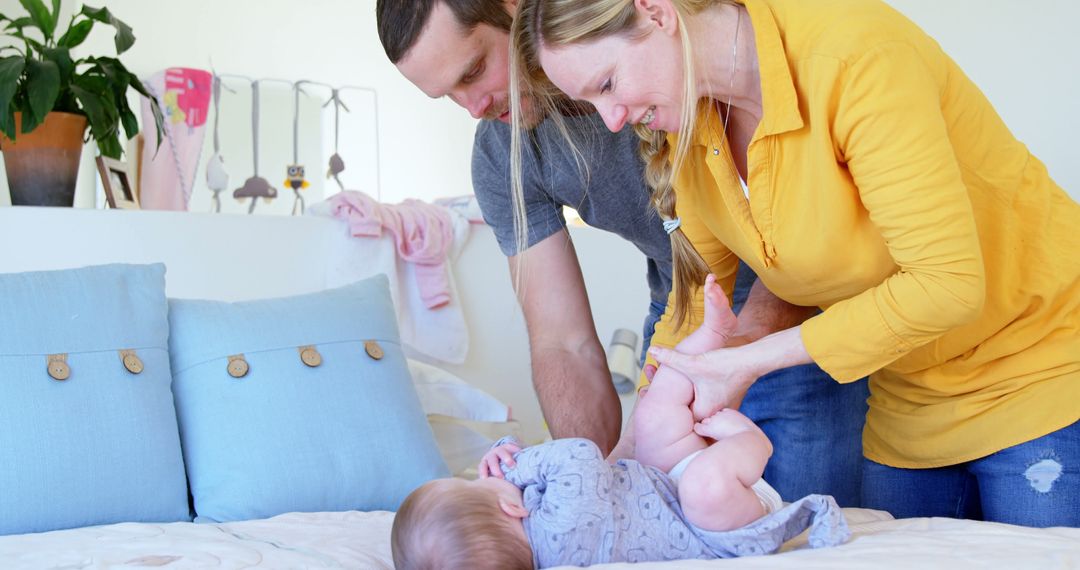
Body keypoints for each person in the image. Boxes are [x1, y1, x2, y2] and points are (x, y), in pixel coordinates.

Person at [510, 0, 1080, 527]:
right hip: (909, 402)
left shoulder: (852, 56)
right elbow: (685, 319)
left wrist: (749, 362)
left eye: (608, 84)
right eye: (592, 102)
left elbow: (948, 285)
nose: (610, 119)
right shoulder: (692, 123)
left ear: (655, 12)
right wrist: (609, 473)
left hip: (1036, 371)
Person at [375, 0, 870, 506]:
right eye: (449, 96)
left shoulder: (666, 49)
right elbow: (562, 342)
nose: (473, 106)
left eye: (475, 70)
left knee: (802, 523)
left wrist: (733, 356)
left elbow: (809, 233)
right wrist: (588, 489)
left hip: (797, 298)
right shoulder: (502, 153)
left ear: (517, 9)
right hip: (681, 306)